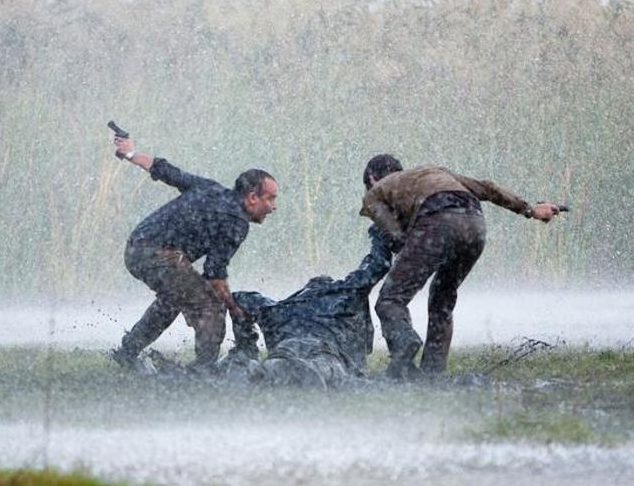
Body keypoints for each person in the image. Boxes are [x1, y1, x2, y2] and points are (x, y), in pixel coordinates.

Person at [359, 154, 560, 379]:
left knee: (390, 299)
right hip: (475, 225)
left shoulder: (375, 192)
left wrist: (401, 247)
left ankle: (404, 348)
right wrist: (530, 210)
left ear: (372, 178)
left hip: (438, 223)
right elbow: (488, 188)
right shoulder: (433, 171)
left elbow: (396, 236)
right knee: (442, 299)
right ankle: (433, 373)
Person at [106, 131, 278, 371]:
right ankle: (202, 372)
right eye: (270, 199)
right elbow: (214, 273)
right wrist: (235, 309)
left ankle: (127, 353)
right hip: (157, 254)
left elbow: (167, 171)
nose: (273, 207)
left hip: (135, 248)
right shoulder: (236, 221)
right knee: (210, 306)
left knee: (172, 300)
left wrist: (131, 153)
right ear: (252, 197)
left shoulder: (210, 188)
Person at [225, 225, 400, 388]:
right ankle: (306, 371)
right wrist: (379, 231)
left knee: (277, 364)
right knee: (326, 368)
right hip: (324, 349)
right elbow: (378, 264)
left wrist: (246, 345)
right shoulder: (343, 295)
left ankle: (264, 370)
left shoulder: (280, 308)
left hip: (287, 346)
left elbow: (238, 299)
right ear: (329, 286)